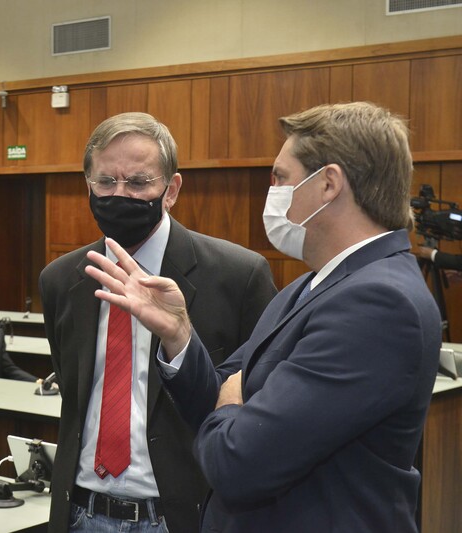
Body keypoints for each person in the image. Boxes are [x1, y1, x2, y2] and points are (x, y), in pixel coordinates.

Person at [84, 102, 442, 532]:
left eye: (281, 178)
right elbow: (219, 395)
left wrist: (233, 402)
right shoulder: (311, 286)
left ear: (328, 184)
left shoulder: (378, 303)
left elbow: (236, 464)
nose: (272, 192)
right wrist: (179, 335)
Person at [38, 112, 277, 532]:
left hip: (182, 515)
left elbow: (262, 403)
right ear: (88, 185)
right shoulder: (60, 279)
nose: (120, 194)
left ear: (172, 190)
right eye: (106, 182)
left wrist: (180, 341)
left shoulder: (238, 276)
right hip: (80, 513)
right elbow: (73, 395)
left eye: (138, 182)